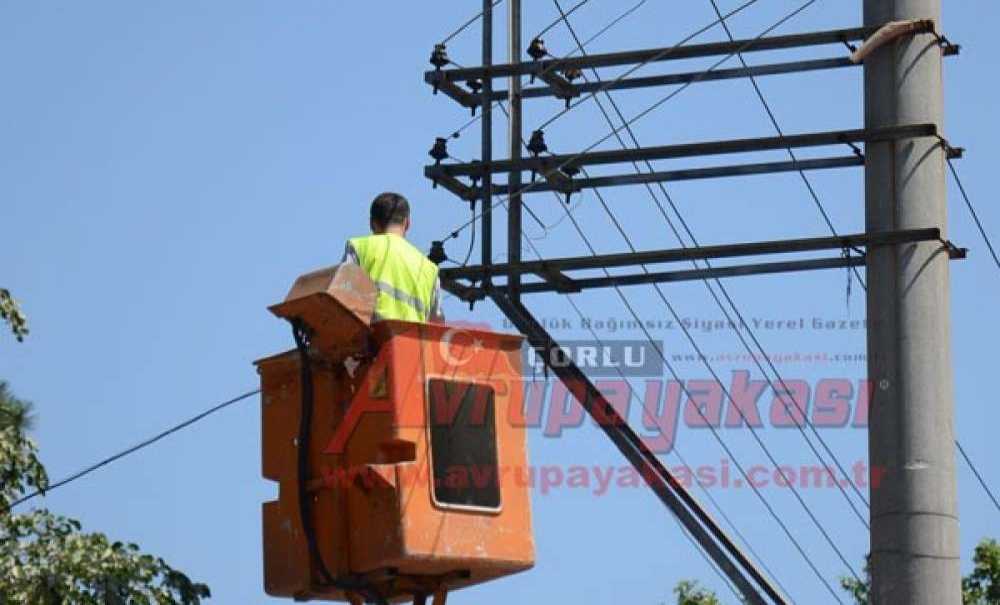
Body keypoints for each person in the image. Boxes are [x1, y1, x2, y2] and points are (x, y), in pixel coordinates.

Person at [342, 192, 444, 323]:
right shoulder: (430, 270)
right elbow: (437, 325)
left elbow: (342, 299)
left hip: (372, 339)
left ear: (372, 223)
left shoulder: (359, 247)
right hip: (410, 342)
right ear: (407, 223)